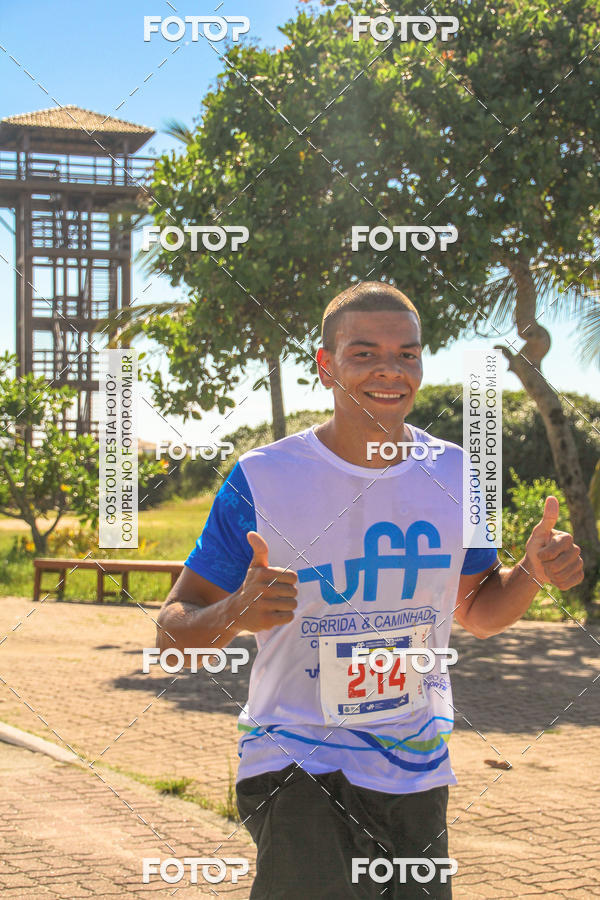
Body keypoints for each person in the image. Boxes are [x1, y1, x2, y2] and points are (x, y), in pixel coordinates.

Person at [156, 281, 584, 899]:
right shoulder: (262, 478)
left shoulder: (459, 474)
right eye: (364, 353)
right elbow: (170, 635)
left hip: (415, 765)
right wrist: (233, 612)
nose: (390, 370)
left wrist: (532, 574)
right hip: (296, 756)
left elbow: (478, 612)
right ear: (325, 365)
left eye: (407, 354)